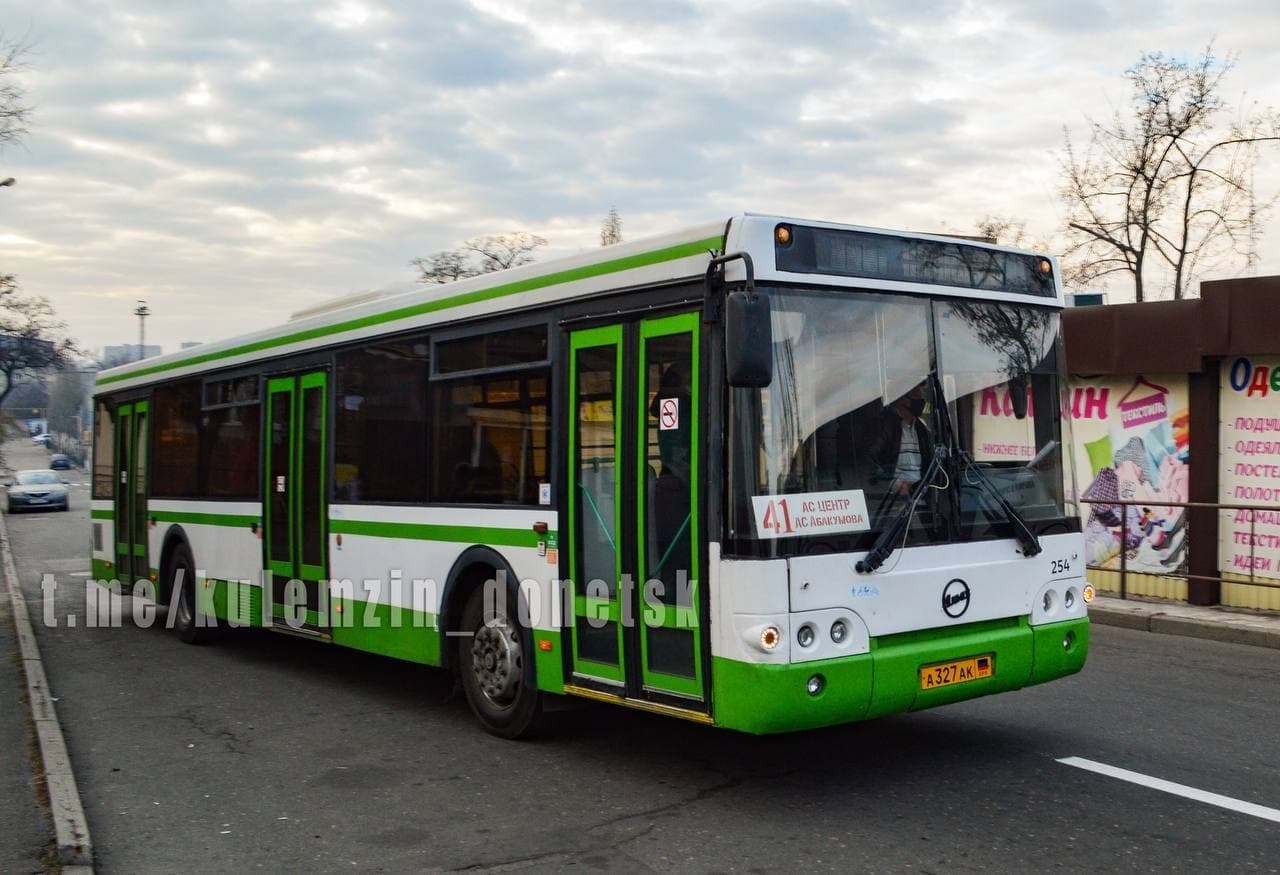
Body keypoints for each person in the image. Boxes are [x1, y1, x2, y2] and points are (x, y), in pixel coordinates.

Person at [871, 382, 933, 496]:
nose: (922, 402)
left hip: (921, 497)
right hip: (892, 500)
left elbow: (929, 463)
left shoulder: (921, 429)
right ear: (902, 399)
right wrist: (894, 485)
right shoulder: (883, 426)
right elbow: (870, 463)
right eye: (917, 398)